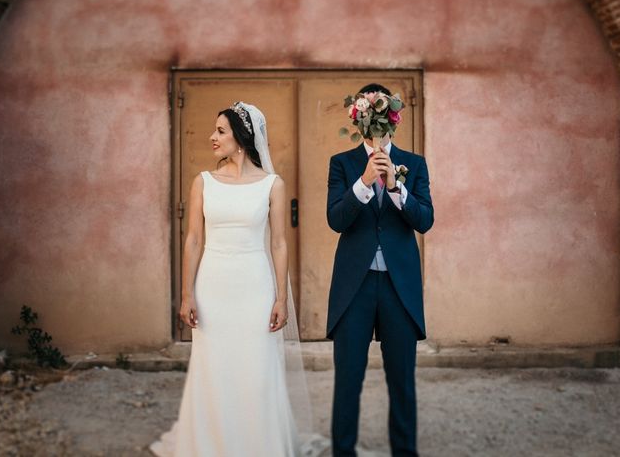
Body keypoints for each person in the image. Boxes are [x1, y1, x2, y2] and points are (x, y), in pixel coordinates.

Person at [149, 101, 318, 457]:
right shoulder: (204, 182)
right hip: (212, 286)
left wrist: (280, 299)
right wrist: (186, 294)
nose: (213, 137)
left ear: (242, 138)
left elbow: (279, 243)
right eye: (214, 130)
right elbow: (193, 240)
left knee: (255, 369)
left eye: (221, 131)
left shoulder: (272, 185)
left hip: (255, 286)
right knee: (214, 369)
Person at [326, 83, 435, 457]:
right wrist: (364, 183)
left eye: (385, 116)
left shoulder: (414, 164)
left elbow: (425, 222)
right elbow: (336, 220)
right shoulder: (341, 164)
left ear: (394, 119)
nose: (379, 124)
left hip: (398, 286)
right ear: (360, 118)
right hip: (353, 288)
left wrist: (395, 188)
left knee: (402, 382)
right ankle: (343, 452)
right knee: (348, 381)